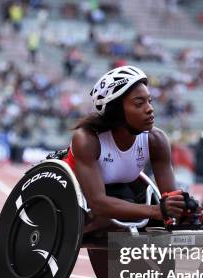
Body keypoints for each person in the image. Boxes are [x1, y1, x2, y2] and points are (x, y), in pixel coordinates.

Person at [59, 65, 193, 233]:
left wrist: (184, 208)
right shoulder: (87, 140)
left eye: (149, 101)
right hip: (74, 198)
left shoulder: (156, 140)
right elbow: (98, 203)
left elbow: (170, 197)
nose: (150, 109)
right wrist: (156, 210)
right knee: (112, 219)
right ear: (116, 112)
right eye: (139, 103)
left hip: (120, 194)